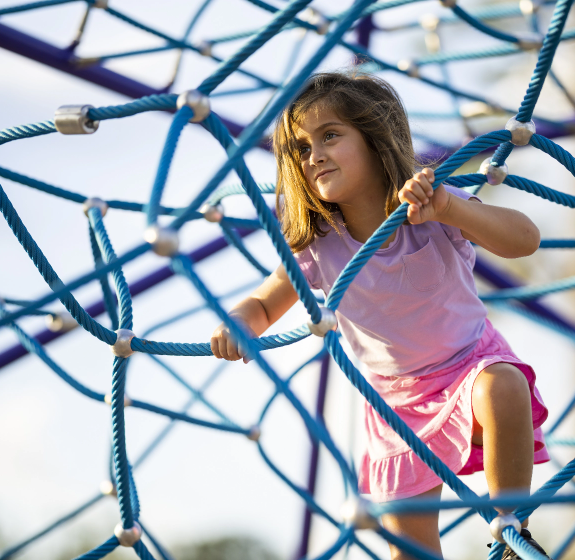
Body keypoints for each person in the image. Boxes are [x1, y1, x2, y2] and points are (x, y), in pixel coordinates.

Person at [211, 72, 551, 560]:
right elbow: (265, 302)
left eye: (330, 135)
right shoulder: (319, 243)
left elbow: (524, 239)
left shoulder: (433, 205)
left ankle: (511, 528)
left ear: (374, 138)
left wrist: (451, 208)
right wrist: (240, 324)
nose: (315, 156)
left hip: (468, 365)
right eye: (302, 149)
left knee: (503, 387)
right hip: (395, 403)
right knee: (409, 549)